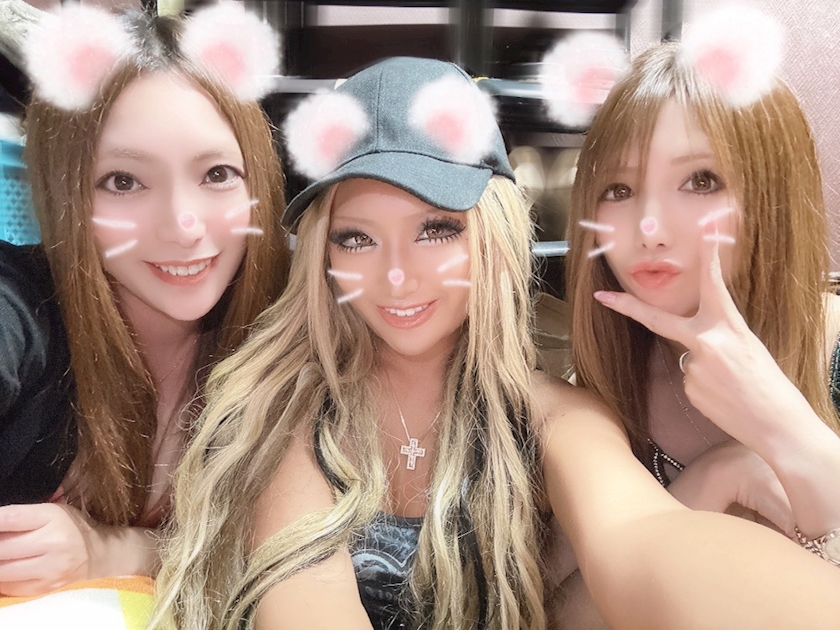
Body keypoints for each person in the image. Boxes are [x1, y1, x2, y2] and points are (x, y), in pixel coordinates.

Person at [153, 56, 840, 630]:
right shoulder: (292, 412)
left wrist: (716, 481)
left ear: (493, 233)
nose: (397, 275)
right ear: (322, 258)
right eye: (355, 238)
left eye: (436, 229)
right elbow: (305, 601)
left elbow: (643, 545)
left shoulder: (555, 413)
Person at [559, 6, 840, 625]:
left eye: (701, 181)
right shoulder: (598, 394)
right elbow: (559, 615)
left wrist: (786, 430)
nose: (649, 229)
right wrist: (716, 478)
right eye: (619, 190)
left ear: (770, 194)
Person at [0, 2, 288, 597]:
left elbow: (300, 545)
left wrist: (114, 548)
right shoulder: (23, 308)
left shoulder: (292, 324)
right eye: (124, 181)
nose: (183, 226)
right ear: (66, 193)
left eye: (217, 174)